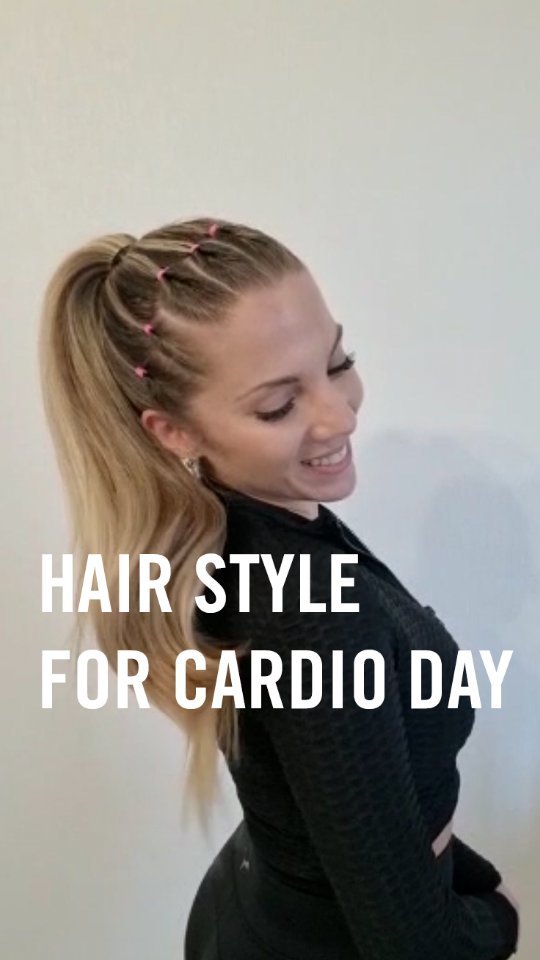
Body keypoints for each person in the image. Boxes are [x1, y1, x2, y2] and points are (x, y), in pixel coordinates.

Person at [39, 216, 520, 959]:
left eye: (338, 361)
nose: (340, 412)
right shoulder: (312, 613)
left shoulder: (240, 525)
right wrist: (500, 916)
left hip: (261, 903)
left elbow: (352, 809)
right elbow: (413, 945)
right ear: (173, 432)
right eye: (278, 405)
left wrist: (465, 876)